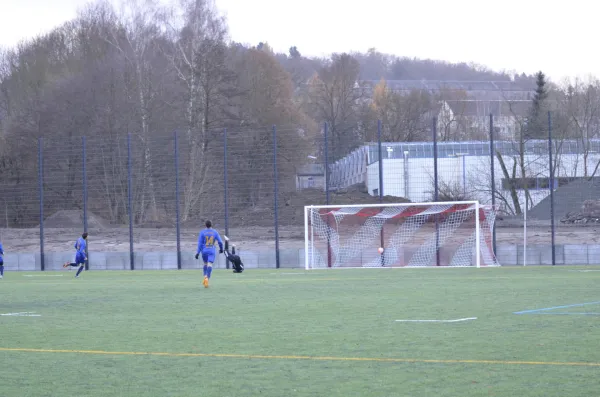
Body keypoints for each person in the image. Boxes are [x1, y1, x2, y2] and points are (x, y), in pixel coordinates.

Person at [195, 220, 223, 288]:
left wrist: (197, 253)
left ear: (205, 225)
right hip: (211, 251)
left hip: (204, 251)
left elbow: (200, 244)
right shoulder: (215, 232)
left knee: (205, 263)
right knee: (210, 264)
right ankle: (207, 278)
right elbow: (220, 242)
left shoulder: (202, 232)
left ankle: (205, 277)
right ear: (211, 225)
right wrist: (221, 249)